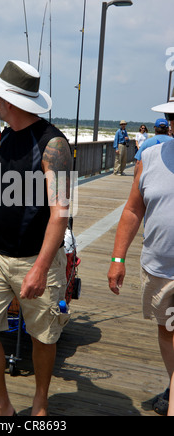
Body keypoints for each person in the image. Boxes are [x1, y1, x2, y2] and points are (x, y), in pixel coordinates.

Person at [0, 60, 72, 416]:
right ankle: (2, 403)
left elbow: (61, 211)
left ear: (10, 101)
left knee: (43, 336)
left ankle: (40, 402)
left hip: (36, 257)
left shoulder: (54, 145)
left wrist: (41, 268)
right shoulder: (7, 135)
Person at [107, 136, 174, 416]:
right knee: (168, 330)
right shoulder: (151, 157)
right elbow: (134, 210)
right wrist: (117, 259)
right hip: (159, 269)